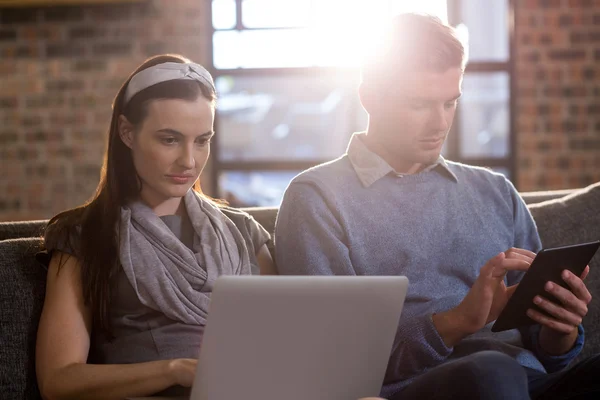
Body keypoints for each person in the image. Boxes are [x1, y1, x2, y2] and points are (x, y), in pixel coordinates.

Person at [275, 14, 600, 400]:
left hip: (523, 382)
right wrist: (457, 322)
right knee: (489, 372)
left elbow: (547, 355)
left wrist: (559, 332)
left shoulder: (494, 190)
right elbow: (334, 362)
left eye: (450, 102)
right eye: (419, 105)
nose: (440, 123)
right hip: (420, 387)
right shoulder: (317, 197)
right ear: (370, 97)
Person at [35, 54, 278, 399]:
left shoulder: (244, 232)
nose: (189, 161)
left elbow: (287, 343)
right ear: (126, 132)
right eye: (169, 139)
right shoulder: (85, 236)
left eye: (202, 140)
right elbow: (59, 380)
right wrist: (174, 370)